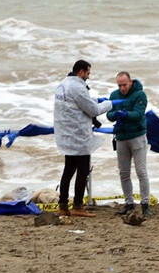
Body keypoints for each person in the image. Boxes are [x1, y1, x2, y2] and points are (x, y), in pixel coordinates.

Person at [53, 59, 116, 217]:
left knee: (68, 172)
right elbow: (93, 110)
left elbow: (78, 103)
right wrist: (110, 103)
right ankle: (77, 206)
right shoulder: (76, 86)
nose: (88, 77)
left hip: (67, 136)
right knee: (82, 172)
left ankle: (63, 205)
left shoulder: (62, 85)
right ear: (81, 72)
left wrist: (96, 99)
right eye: (88, 73)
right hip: (79, 137)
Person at [106, 71, 153, 217]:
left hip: (137, 136)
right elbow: (108, 114)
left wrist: (125, 114)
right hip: (121, 137)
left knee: (141, 171)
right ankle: (129, 203)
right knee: (124, 172)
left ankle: (145, 204)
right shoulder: (114, 96)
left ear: (130, 82)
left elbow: (138, 114)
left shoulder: (140, 95)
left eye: (124, 85)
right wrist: (115, 115)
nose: (122, 88)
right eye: (119, 85)